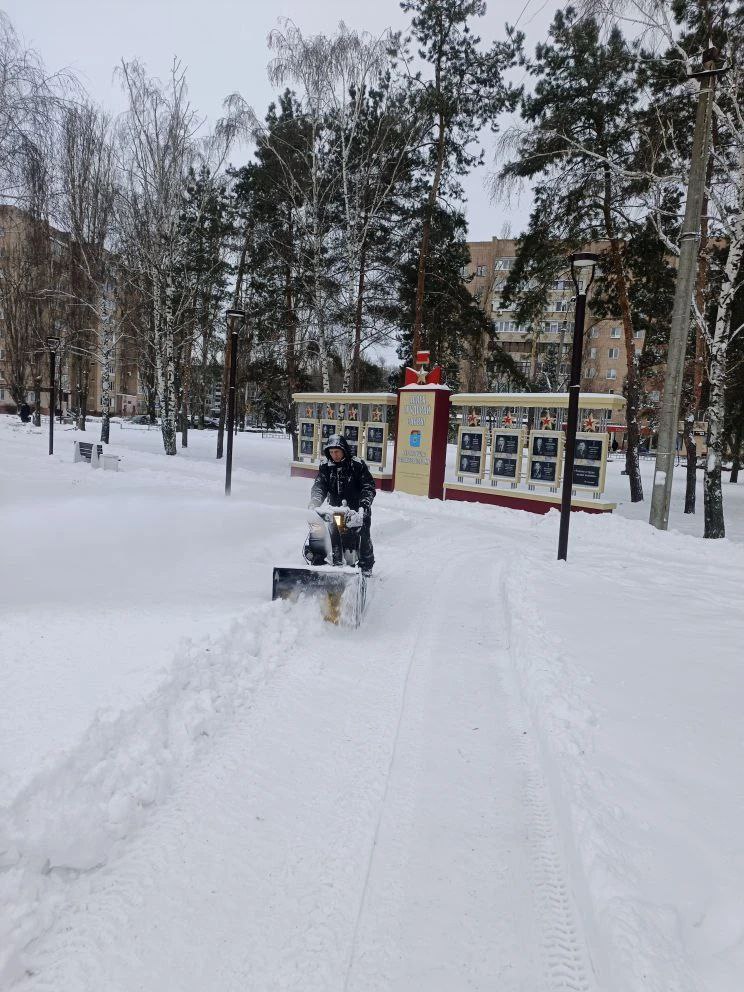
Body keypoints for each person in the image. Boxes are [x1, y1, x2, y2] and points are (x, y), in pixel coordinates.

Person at [309, 433, 376, 575]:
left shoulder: (357, 465)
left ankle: (366, 565)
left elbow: (368, 486)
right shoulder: (326, 467)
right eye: (331, 452)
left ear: (344, 450)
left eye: (337, 451)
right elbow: (319, 486)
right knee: (331, 532)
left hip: (356, 511)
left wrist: (363, 506)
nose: (334, 455)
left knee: (362, 534)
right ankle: (323, 561)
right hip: (336, 510)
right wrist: (314, 502)